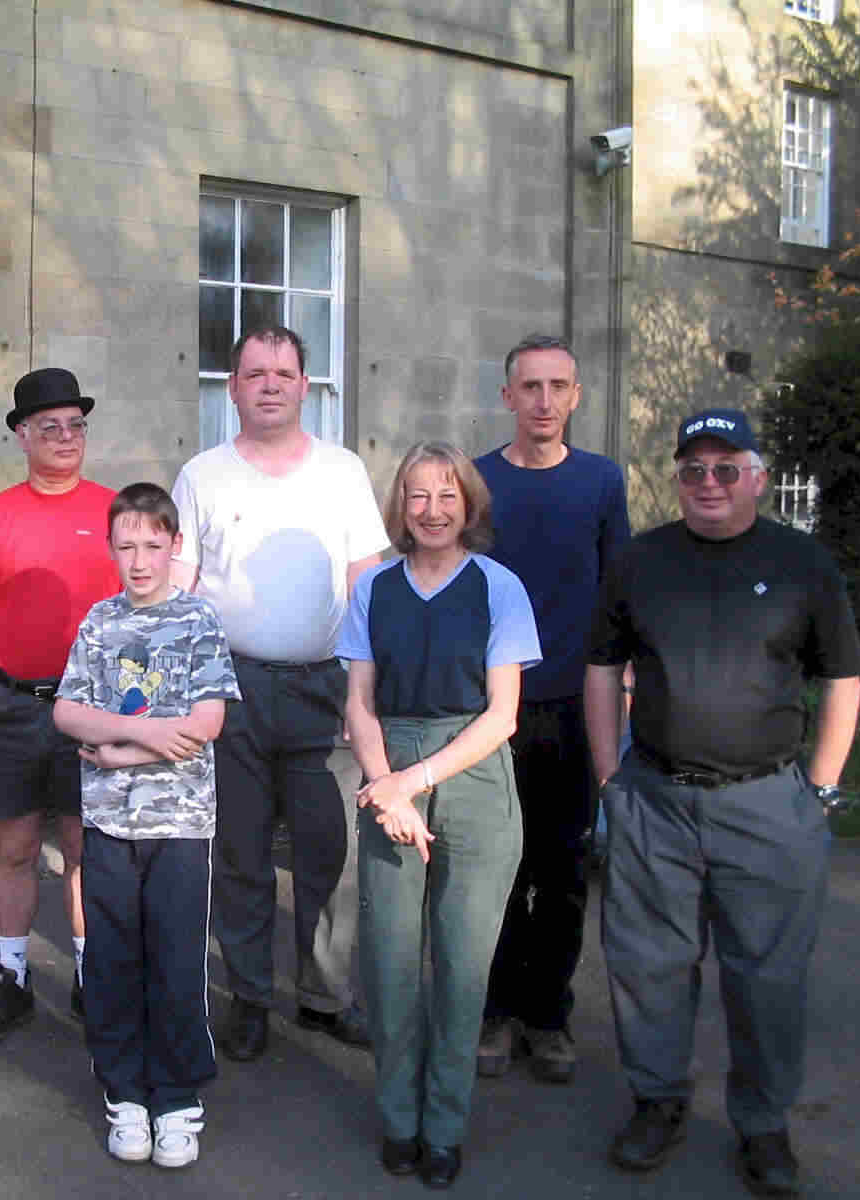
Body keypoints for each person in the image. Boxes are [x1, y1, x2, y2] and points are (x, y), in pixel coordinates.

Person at [587, 408, 860, 1196]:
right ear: (678, 478)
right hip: (655, 799)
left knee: (767, 974)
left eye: (725, 467)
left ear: (758, 477)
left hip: (768, 804)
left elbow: (842, 676)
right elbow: (602, 669)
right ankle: (658, 1100)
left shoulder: (803, 562)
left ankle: (765, 1123)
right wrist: (610, 780)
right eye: (693, 469)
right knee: (649, 966)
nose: (708, 482)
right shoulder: (639, 563)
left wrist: (823, 789)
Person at [170, 325, 389, 1059]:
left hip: (325, 687)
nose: (269, 383)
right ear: (231, 386)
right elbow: (180, 585)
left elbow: (366, 579)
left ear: (304, 385)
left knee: (333, 851)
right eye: (254, 372)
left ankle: (326, 995)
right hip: (231, 688)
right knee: (240, 853)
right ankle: (252, 996)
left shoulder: (343, 471)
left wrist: (369, 684)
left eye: (284, 372)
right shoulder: (202, 475)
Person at [339, 441, 541, 1190]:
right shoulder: (375, 589)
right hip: (389, 762)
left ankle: (445, 1125)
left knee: (461, 966)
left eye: (446, 495)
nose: (432, 510)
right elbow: (358, 700)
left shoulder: (499, 587)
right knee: (391, 962)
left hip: (475, 771)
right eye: (418, 496)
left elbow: (502, 714)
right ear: (402, 506)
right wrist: (385, 782)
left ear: (469, 504)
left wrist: (413, 782)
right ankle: (399, 1117)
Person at [53, 482, 241, 1168]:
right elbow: (69, 714)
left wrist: (118, 749)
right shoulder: (100, 623)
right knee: (113, 959)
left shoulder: (198, 622)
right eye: (125, 546)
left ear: (174, 547)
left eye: (152, 546)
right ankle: (125, 1093)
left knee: (175, 958)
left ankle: (176, 1097)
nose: (139, 560)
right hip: (110, 823)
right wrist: (141, 734)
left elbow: (206, 724)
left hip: (181, 825)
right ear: (110, 548)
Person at [472, 334, 630, 1083]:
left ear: (575, 396)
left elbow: (618, 591)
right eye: (528, 386)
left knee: (562, 872)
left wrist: (624, 685)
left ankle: (548, 1015)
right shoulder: (475, 481)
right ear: (508, 396)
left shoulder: (601, 482)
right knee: (492, 870)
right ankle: (495, 1010)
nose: (543, 400)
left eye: (557, 386)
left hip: (573, 706)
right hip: (487, 710)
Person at [0, 366, 120, 1040]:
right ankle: (13, 974)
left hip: (93, 709)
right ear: (21, 435)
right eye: (48, 426)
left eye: (75, 424)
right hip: (13, 709)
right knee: (18, 847)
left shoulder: (115, 512)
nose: (64, 436)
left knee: (83, 848)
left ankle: (88, 972)